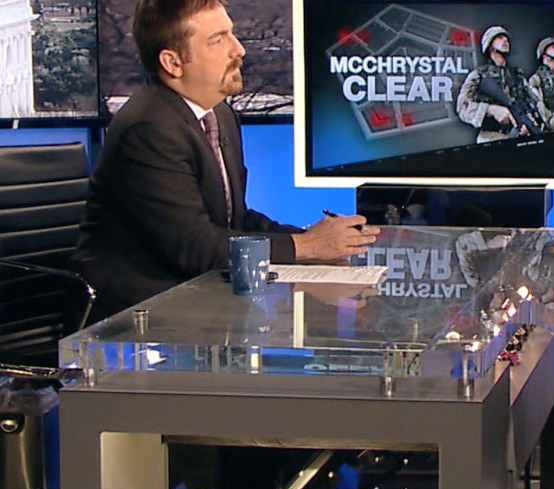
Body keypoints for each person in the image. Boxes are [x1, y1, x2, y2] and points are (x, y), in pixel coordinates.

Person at [71, 0, 378, 321]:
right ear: (173, 62)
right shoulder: (149, 128)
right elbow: (195, 247)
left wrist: (317, 240)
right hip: (133, 317)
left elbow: (235, 220)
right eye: (218, 40)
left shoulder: (218, 114)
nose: (239, 50)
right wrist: (306, 246)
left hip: (196, 301)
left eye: (232, 34)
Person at [456, 25, 550, 143]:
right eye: (499, 38)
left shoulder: (517, 75)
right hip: (490, 137)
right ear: (489, 45)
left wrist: (529, 122)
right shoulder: (479, 75)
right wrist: (490, 109)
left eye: (506, 38)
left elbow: (534, 102)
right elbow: (462, 108)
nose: (505, 40)